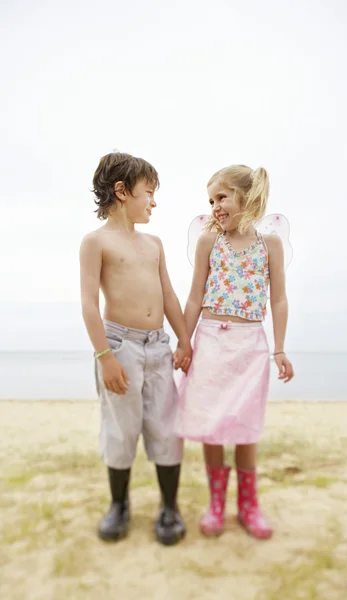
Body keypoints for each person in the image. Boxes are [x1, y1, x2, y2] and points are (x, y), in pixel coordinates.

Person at [175, 164, 294, 540]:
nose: (215, 207)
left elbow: (278, 299)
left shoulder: (269, 244)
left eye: (222, 197)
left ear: (248, 198)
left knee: (244, 426)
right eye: (211, 200)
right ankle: (215, 504)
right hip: (210, 341)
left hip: (250, 345)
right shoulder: (209, 242)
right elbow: (195, 296)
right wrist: (184, 341)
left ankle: (248, 505)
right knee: (212, 426)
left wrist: (279, 349)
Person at [79, 152, 191, 545]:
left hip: (159, 346)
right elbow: (90, 305)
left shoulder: (154, 243)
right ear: (122, 191)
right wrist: (104, 356)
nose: (154, 202)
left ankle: (169, 507)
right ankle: (119, 505)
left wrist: (184, 338)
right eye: (149, 193)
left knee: (165, 427)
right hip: (118, 346)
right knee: (120, 428)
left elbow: (169, 293)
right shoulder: (97, 242)